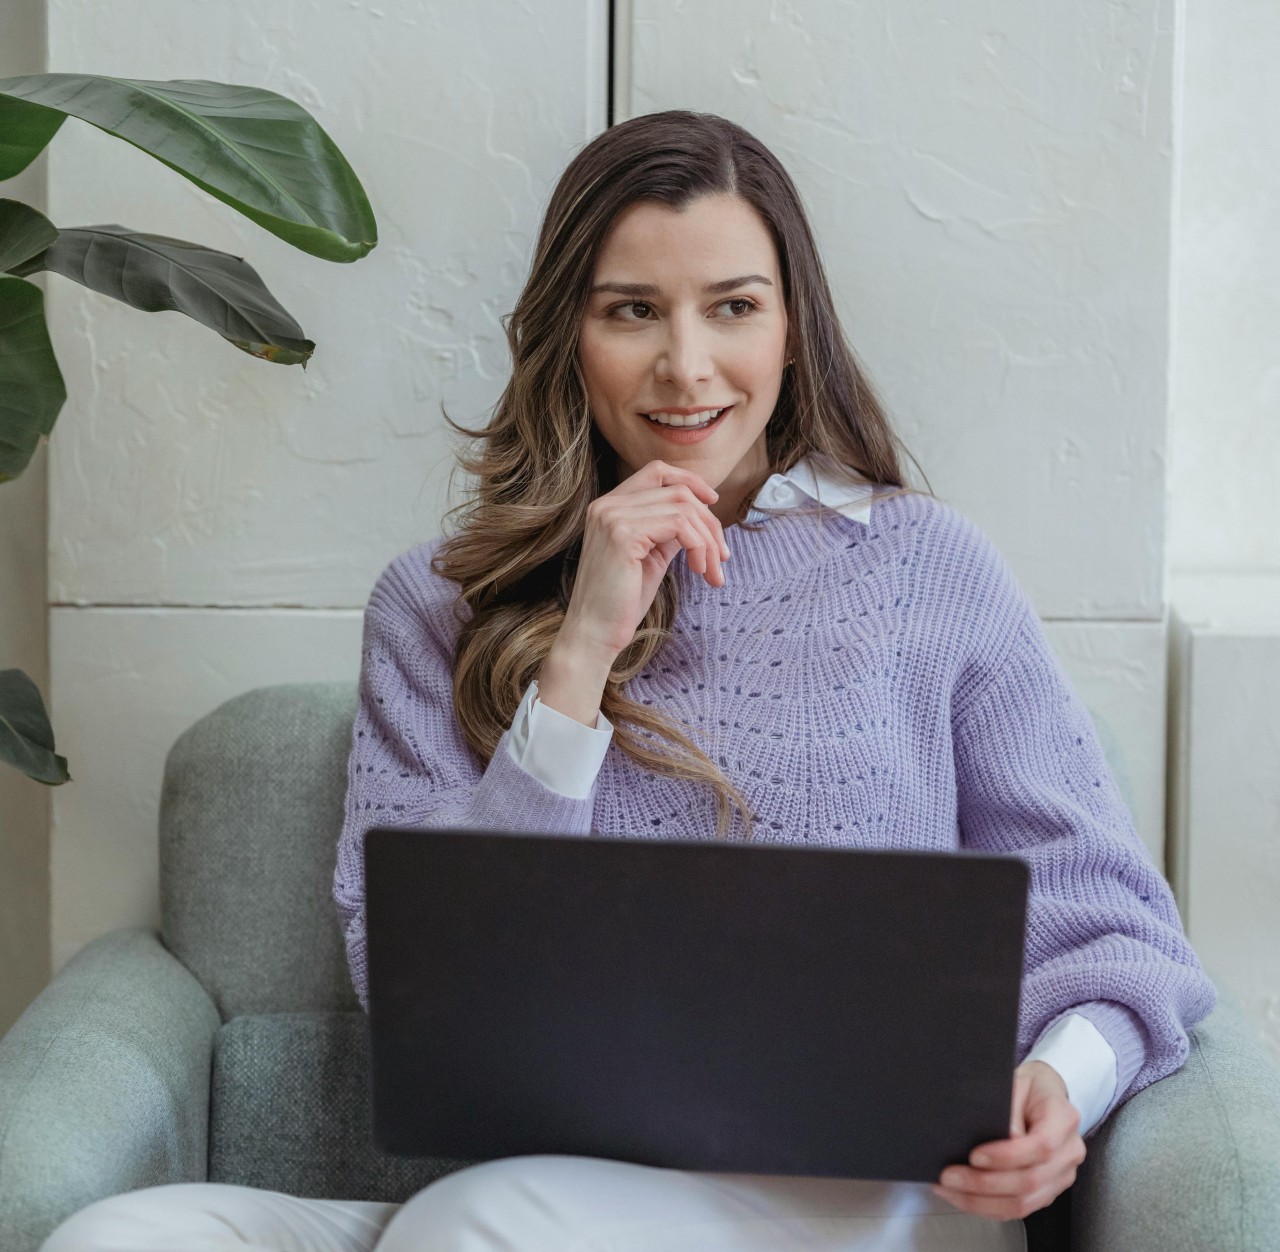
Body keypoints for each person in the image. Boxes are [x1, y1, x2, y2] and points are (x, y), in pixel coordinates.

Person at [41, 110, 1216, 1252]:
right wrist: (581, 649)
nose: (685, 365)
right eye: (632, 311)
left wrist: (1061, 1088)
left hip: (875, 1203)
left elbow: (1116, 925)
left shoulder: (924, 566)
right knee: (124, 1233)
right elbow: (415, 989)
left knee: (472, 1225)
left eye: (734, 309)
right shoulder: (431, 605)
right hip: (546, 1198)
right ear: (567, 334)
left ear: (793, 329)